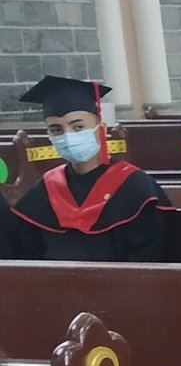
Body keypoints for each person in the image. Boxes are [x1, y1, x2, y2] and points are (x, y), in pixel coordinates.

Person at [10, 76, 170, 261]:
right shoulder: (44, 191)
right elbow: (27, 259)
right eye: (56, 130)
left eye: (78, 127)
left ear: (100, 128)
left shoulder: (136, 187)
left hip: (123, 280)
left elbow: (151, 260)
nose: (67, 136)